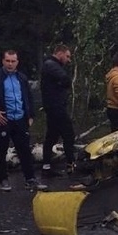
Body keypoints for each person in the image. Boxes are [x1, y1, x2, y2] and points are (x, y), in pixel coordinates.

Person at [0, 50, 46, 191]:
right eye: (8, 61)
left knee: (24, 150)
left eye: (13, 61)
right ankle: (3, 179)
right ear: (3, 61)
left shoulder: (22, 78)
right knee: (1, 150)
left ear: (17, 62)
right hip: (4, 119)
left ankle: (30, 179)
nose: (10, 64)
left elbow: (28, 97)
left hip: (20, 119)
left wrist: (30, 115)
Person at [40, 44, 76, 176]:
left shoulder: (50, 65)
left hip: (53, 106)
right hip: (56, 107)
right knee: (69, 134)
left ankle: (46, 167)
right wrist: (63, 85)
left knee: (52, 136)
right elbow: (66, 80)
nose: (68, 60)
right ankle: (70, 164)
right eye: (67, 56)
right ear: (60, 53)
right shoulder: (51, 65)